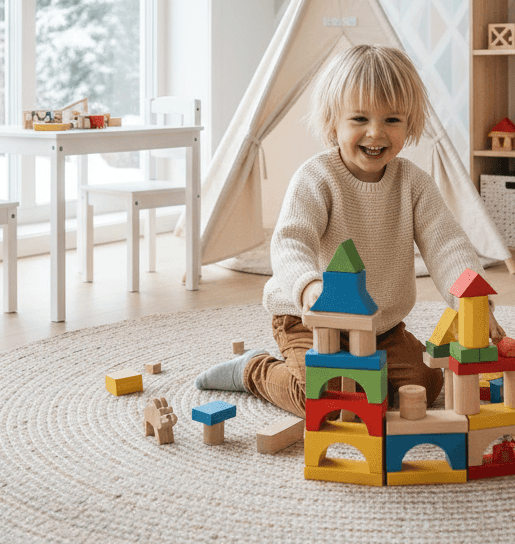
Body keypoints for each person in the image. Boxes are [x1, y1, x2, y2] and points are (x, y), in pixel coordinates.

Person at [195, 43, 492, 417]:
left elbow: (446, 244)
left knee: (426, 384)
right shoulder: (316, 177)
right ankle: (254, 369)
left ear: (410, 124)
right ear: (333, 122)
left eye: (392, 120)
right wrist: (308, 285)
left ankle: (369, 378)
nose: (376, 133)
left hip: (380, 327)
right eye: (359, 119)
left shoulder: (413, 184)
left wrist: (473, 303)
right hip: (311, 321)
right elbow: (291, 242)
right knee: (326, 404)